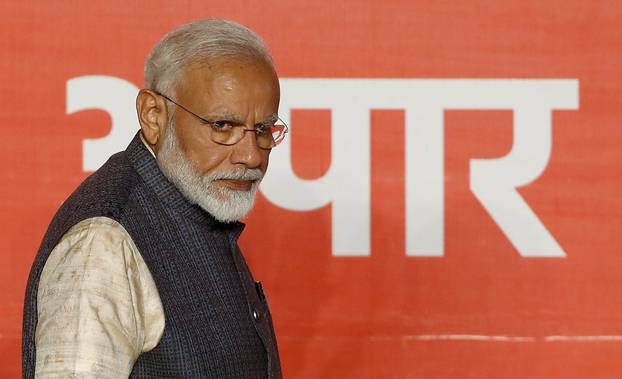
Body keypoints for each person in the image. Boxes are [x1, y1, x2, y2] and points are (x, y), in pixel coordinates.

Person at [22, 19, 284, 378]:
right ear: (153, 115)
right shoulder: (103, 241)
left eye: (264, 129)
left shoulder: (198, 204)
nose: (251, 156)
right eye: (223, 126)